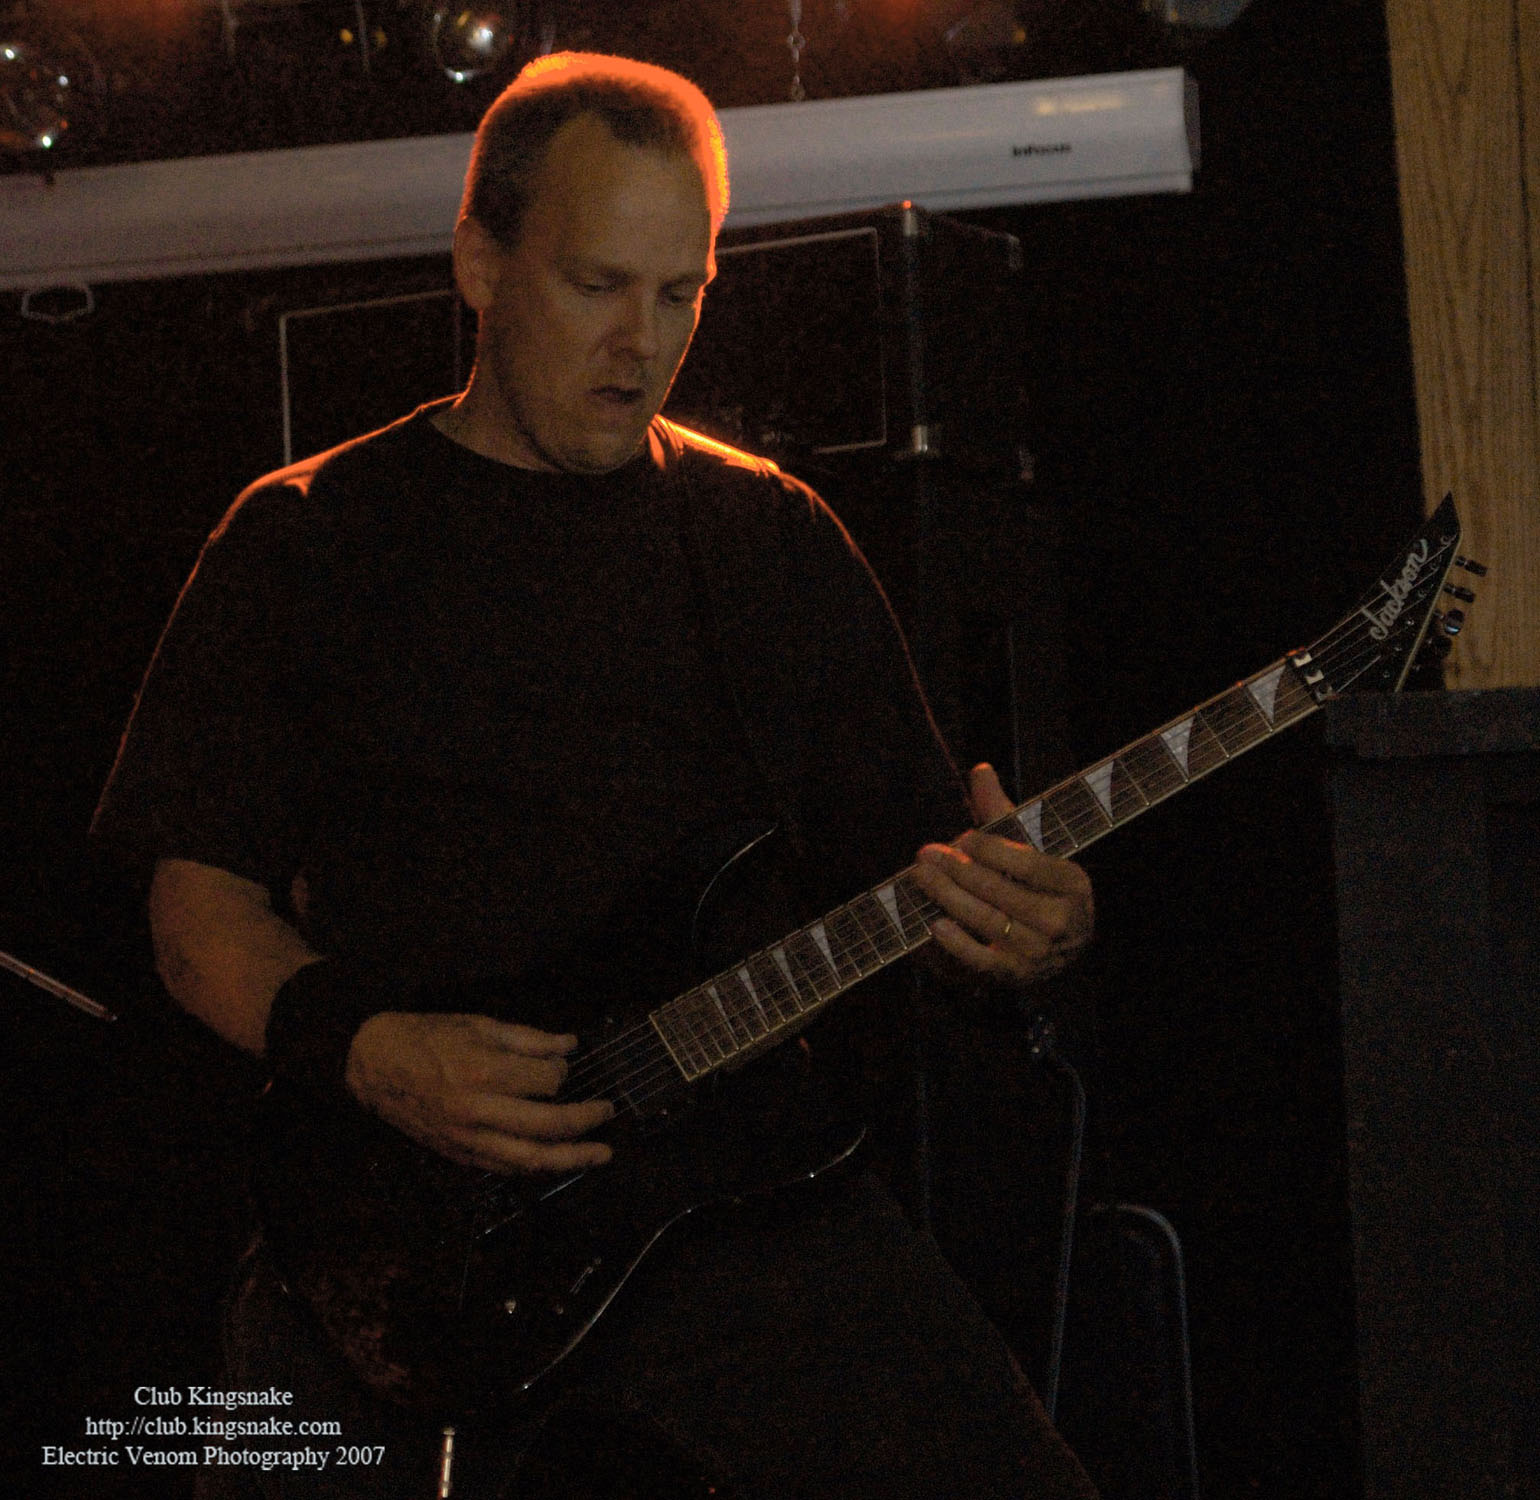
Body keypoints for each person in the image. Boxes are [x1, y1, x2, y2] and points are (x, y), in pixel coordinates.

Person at [93, 52, 1097, 1500]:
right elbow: (194, 908)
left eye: (681, 293)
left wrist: (1026, 927)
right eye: (596, 285)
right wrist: (373, 1051)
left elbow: (927, 874)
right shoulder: (307, 535)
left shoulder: (769, 538)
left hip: (740, 1197)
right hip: (397, 1224)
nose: (641, 342)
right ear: (479, 265)